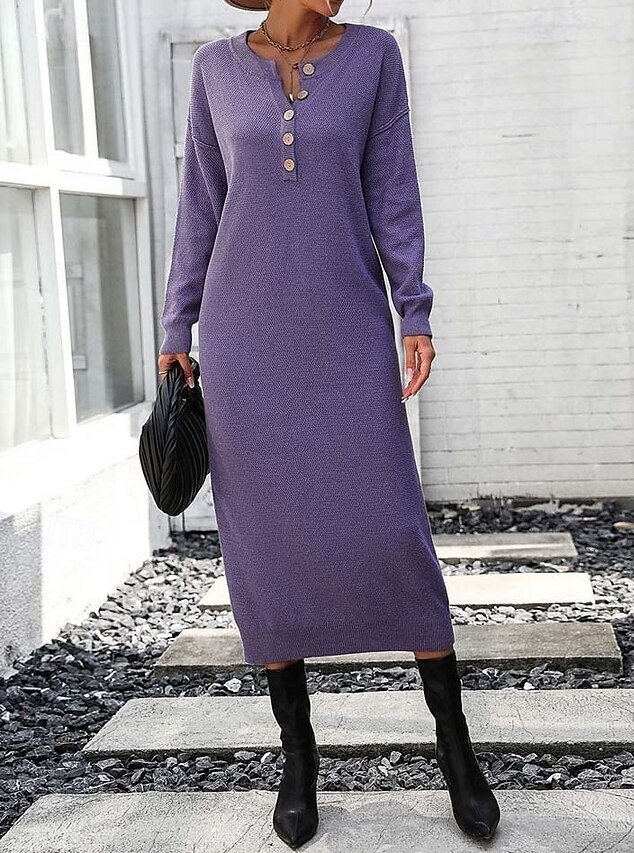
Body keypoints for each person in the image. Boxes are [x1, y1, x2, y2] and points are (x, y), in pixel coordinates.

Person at [157, 0, 500, 847]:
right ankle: (299, 757)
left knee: (392, 528)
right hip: (243, 334)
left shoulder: (374, 57)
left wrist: (414, 308)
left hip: (347, 324)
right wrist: (176, 328)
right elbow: (200, 206)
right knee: (265, 540)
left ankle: (455, 748)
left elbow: (394, 191)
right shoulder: (215, 70)